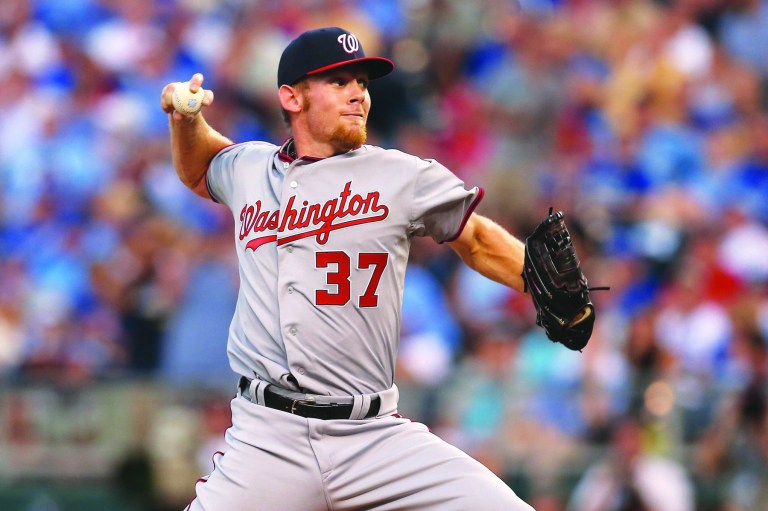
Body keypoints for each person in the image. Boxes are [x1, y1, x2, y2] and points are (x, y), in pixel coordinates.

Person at [161, 26, 534, 511]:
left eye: (361, 82)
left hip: (374, 436)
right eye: (338, 82)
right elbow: (199, 165)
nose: (358, 93)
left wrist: (543, 283)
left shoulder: (401, 174)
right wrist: (186, 120)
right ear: (292, 97)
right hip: (268, 441)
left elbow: (478, 239)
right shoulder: (249, 168)